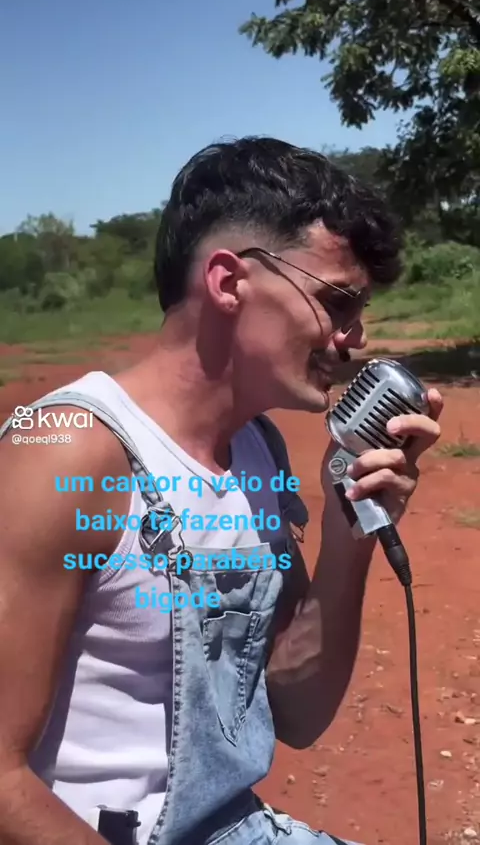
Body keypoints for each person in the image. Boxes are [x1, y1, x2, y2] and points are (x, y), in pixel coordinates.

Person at [0, 136, 442, 845]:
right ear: (230, 281)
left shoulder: (257, 450)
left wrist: (350, 528)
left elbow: (298, 711)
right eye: (337, 302)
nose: (354, 337)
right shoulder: (66, 451)